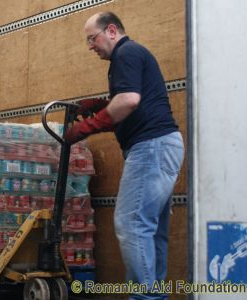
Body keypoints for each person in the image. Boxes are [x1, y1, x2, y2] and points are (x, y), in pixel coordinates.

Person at [65, 12, 184, 299]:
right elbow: (131, 99)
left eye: (92, 38)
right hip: (163, 145)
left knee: (131, 223)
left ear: (112, 31)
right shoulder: (133, 55)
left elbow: (129, 100)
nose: (90, 46)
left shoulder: (126, 53)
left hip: (151, 147)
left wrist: (88, 126)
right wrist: (103, 104)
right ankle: (153, 295)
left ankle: (146, 297)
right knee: (150, 229)